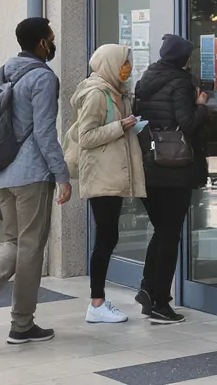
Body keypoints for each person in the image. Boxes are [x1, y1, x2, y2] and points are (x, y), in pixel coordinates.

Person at [0, 17, 72, 346]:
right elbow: (44, 133)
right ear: (41, 43)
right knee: (30, 247)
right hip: (31, 175)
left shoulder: (5, 71)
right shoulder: (42, 78)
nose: (53, 44)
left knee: (13, 241)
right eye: (51, 39)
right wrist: (62, 174)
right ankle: (22, 324)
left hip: (0, 172)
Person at [63, 43, 145, 324]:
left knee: (109, 236)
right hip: (100, 173)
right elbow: (86, 138)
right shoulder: (97, 94)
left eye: (129, 63)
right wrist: (120, 126)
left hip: (112, 172)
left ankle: (97, 301)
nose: (128, 68)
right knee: (106, 237)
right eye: (124, 63)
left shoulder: (116, 92)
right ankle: (96, 302)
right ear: (110, 63)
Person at [132, 34, 210, 325]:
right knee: (169, 234)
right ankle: (160, 302)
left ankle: (148, 289)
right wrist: (202, 104)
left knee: (162, 230)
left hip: (149, 166)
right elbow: (188, 124)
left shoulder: (145, 79)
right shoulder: (179, 82)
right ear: (182, 58)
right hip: (174, 169)